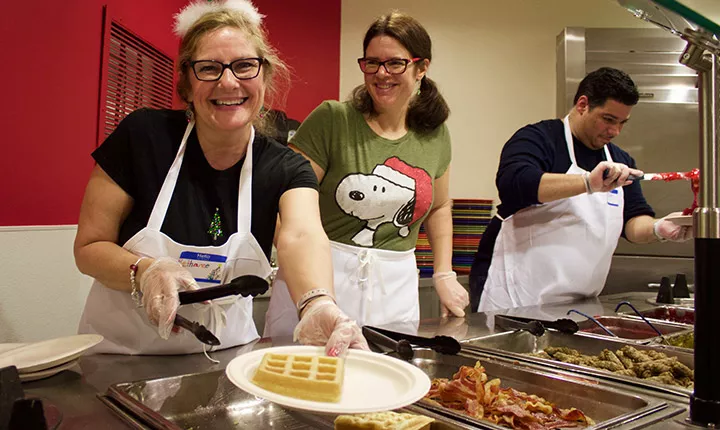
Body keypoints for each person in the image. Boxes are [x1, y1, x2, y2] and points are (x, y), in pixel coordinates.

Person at [75, 0, 367, 355]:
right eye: (209, 68)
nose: (228, 82)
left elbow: (301, 234)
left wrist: (317, 302)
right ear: (186, 81)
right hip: (120, 358)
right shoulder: (142, 137)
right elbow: (89, 248)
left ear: (265, 75)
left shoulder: (286, 168)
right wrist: (145, 270)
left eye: (244, 66)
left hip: (224, 364)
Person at [264, 12, 470, 338]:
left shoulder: (435, 134)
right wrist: (307, 284)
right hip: (321, 279)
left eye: (395, 63)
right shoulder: (333, 120)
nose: (381, 74)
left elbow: (441, 207)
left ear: (422, 67)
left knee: (384, 380)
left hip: (395, 290)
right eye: (372, 63)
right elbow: (282, 201)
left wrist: (444, 273)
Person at [469, 67, 693, 313]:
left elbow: (633, 221)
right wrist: (587, 183)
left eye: (622, 123)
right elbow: (515, 184)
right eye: (608, 120)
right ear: (583, 104)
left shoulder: (620, 160)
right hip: (516, 296)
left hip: (581, 303)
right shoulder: (538, 139)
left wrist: (659, 228)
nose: (615, 131)